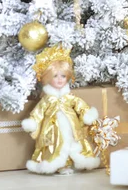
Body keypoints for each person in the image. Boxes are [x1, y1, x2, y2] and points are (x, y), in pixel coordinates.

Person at [22, 46, 101, 175]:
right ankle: (58, 164)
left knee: (72, 142)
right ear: (48, 77)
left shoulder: (69, 97)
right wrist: (32, 122)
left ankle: (70, 162)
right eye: (55, 76)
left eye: (63, 76)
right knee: (56, 144)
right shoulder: (47, 100)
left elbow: (79, 104)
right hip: (52, 129)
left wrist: (86, 113)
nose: (60, 79)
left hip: (71, 126)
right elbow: (38, 112)